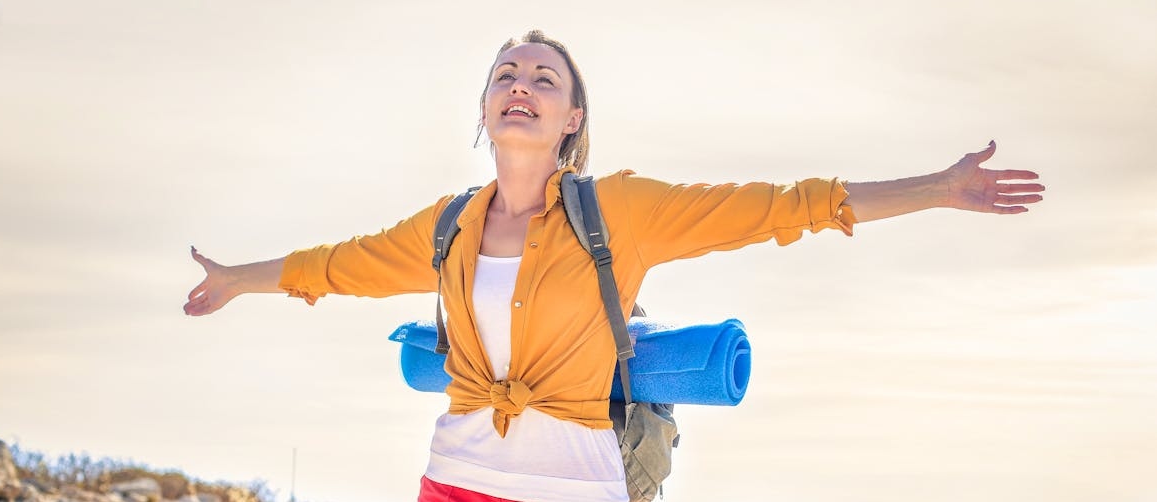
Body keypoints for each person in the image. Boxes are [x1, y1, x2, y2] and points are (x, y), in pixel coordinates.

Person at [183, 30, 1044, 502]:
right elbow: (332, 268)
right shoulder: (446, 226)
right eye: (505, 74)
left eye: (543, 77)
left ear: (570, 116)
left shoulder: (621, 212)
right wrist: (235, 280)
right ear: (485, 108)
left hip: (575, 491)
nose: (521, 82)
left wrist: (937, 187)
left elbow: (786, 206)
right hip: (451, 484)